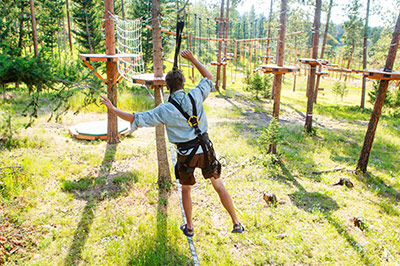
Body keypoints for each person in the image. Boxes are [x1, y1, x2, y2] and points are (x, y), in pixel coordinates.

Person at [100, 50, 244, 237]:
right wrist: (192, 59)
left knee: (186, 189)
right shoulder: (196, 94)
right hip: (206, 149)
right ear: (183, 84)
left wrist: (113, 109)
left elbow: (135, 117)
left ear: (167, 88)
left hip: (186, 155)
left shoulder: (165, 110)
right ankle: (236, 222)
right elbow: (208, 76)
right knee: (218, 185)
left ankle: (190, 226)